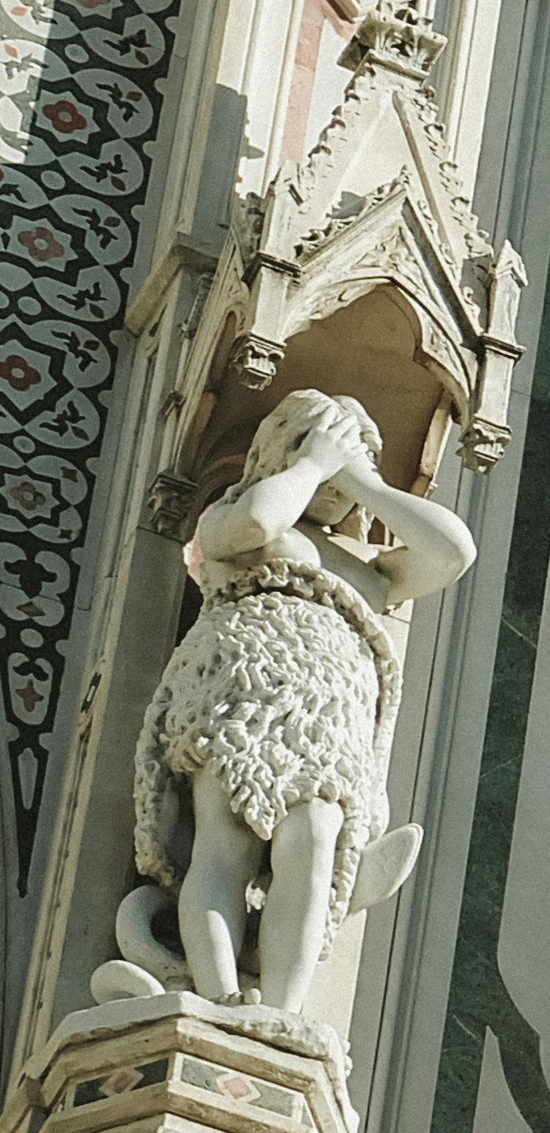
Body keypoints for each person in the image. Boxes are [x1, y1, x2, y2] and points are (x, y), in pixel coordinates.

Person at [126, 389, 477, 1032]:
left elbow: (454, 551)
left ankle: (282, 1013)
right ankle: (218, 994)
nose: (337, 477)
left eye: (353, 459)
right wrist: (313, 464)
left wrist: (359, 477)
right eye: (319, 444)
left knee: (315, 840)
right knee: (225, 837)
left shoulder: (375, 568)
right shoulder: (235, 518)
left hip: (325, 712)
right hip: (243, 692)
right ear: (283, 448)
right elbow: (259, 522)